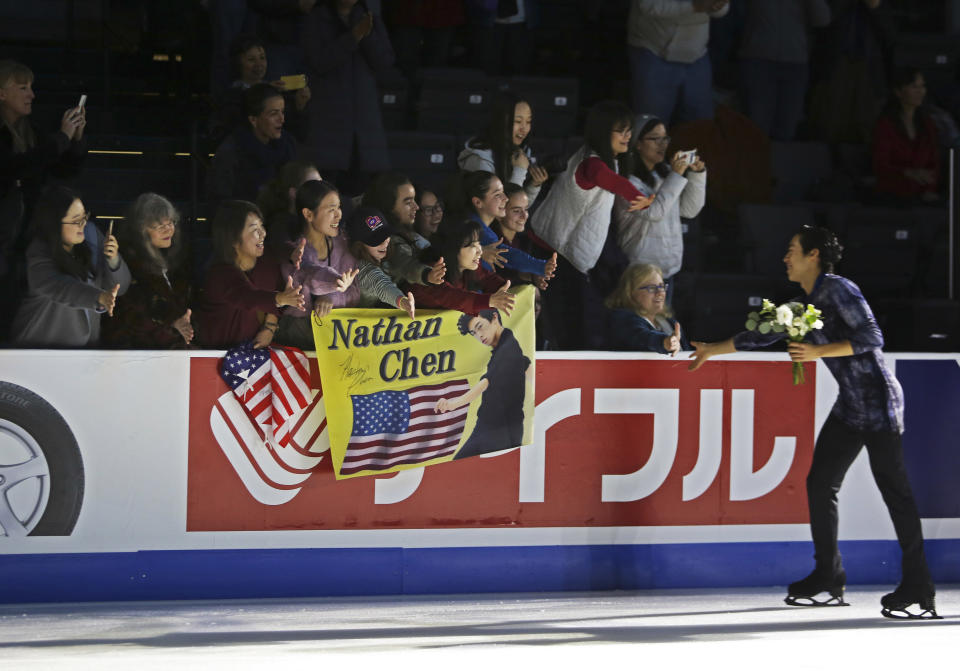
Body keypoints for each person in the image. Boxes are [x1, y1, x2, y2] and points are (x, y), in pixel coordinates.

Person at [688, 225, 939, 619]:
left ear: (814, 255)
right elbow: (765, 333)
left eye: (792, 250)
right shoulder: (808, 301)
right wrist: (713, 350)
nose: (785, 257)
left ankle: (919, 585)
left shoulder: (839, 289)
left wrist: (818, 351)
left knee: (895, 492)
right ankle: (828, 574)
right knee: (820, 483)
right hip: (850, 406)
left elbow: (873, 337)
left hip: (877, 403)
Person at [531, 100, 653, 349]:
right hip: (557, 253)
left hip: (561, 250)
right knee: (564, 326)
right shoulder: (593, 163)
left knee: (571, 323)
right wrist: (641, 199)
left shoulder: (594, 156)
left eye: (629, 131)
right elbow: (612, 182)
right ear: (603, 131)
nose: (627, 137)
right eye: (621, 131)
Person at [1, 59, 88, 325]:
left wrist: (76, 138)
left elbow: (63, 170)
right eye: (23, 88)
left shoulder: (32, 131)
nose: (32, 95)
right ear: (2, 93)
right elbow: (14, 168)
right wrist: (61, 138)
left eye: (31, 87)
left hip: (25, 233)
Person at [10, 186, 130, 348]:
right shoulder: (38, 252)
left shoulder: (92, 239)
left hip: (81, 354)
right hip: (39, 352)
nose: (83, 224)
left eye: (84, 217)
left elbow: (119, 289)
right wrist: (98, 297)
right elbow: (60, 286)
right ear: (53, 222)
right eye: (76, 220)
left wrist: (113, 260)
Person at [300, 0, 395, 193]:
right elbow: (319, 61)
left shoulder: (368, 17)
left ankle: (367, 225)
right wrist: (353, 36)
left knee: (364, 194)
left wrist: (364, 35)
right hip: (329, 121)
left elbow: (385, 62)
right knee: (326, 193)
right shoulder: (316, 18)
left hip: (364, 123)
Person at [614, 113, 706, 303]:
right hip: (639, 272)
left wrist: (697, 175)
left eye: (665, 138)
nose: (663, 144)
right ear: (637, 143)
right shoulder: (626, 182)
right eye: (655, 139)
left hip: (667, 271)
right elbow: (654, 212)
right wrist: (677, 174)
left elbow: (690, 210)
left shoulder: (664, 176)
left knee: (663, 328)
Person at [196, 200, 305, 349]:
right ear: (233, 239)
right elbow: (249, 297)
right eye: (255, 229)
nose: (263, 233)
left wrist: (270, 327)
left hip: (255, 355)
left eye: (262, 226)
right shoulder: (220, 274)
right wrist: (280, 298)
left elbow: (279, 249)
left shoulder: (267, 261)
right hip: (214, 358)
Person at [435, 308, 530, 459]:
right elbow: (526, 366)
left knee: (460, 469)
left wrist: (453, 404)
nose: (479, 336)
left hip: (498, 430)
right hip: (493, 427)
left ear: (494, 318)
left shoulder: (508, 348)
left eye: (479, 327)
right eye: (474, 333)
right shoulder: (509, 349)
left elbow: (486, 382)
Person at [276, 179, 360, 349]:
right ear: (308, 214)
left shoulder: (343, 243)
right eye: (331, 209)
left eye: (339, 208)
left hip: (336, 335)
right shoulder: (294, 251)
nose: (338, 215)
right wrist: (334, 283)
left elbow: (354, 292)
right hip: (296, 336)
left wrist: (331, 296)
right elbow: (309, 274)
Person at [103, 194, 194, 349]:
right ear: (140, 231)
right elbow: (133, 317)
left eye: (171, 222)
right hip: (134, 354)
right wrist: (171, 323)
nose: (168, 229)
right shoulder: (129, 263)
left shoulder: (176, 261)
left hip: (169, 351)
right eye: (159, 226)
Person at [738, 0, 831, 141]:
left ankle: (779, 161)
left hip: (795, 65)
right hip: (758, 61)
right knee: (756, 125)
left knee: (787, 128)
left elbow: (823, 19)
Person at [627, 0, 730, 126]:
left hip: (697, 55)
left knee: (701, 127)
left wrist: (717, 6)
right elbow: (647, 6)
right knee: (651, 127)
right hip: (653, 52)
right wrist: (694, 6)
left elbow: (722, 10)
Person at [208, 34, 311, 146]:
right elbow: (239, 127)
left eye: (262, 58)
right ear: (237, 63)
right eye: (251, 59)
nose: (259, 64)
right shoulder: (231, 96)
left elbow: (298, 135)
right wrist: (263, 92)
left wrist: (299, 106)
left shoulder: (276, 92)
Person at [454, 170, 556, 283]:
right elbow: (509, 256)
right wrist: (540, 266)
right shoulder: (472, 227)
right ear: (478, 202)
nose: (505, 199)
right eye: (498, 195)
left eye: (503, 193)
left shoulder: (482, 228)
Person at [207, 83, 300, 206]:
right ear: (253, 120)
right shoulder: (231, 151)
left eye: (282, 112)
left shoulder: (288, 144)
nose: (281, 119)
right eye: (273, 113)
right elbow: (220, 200)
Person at [457, 93, 548, 207]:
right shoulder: (479, 160)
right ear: (500, 122)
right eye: (518, 121)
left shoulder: (518, 153)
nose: (524, 128)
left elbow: (518, 212)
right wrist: (519, 171)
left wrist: (533, 186)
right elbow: (502, 210)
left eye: (528, 122)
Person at [410, 218, 515, 315]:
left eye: (478, 243)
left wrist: (503, 288)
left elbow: (486, 278)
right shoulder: (431, 272)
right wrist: (490, 301)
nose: (480, 251)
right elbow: (454, 298)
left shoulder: (466, 267)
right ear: (453, 249)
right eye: (472, 245)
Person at [364, 172, 443, 286]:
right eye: (408, 202)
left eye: (414, 200)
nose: (416, 207)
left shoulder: (408, 233)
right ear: (389, 206)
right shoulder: (387, 241)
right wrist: (427, 275)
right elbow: (405, 264)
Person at [873, 69, 940, 203]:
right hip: (893, 195)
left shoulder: (928, 124)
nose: (920, 91)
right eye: (914, 87)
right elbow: (881, 166)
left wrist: (930, 189)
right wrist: (908, 173)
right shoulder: (886, 125)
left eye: (922, 86)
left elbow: (934, 162)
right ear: (898, 92)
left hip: (924, 195)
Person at [345, 205, 416, 317]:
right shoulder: (359, 268)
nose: (384, 243)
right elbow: (381, 285)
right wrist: (402, 301)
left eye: (386, 235)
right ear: (359, 245)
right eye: (376, 240)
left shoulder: (392, 248)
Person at [605, 263, 689, 354]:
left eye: (662, 286)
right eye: (652, 288)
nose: (660, 293)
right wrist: (663, 342)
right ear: (630, 292)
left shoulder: (670, 323)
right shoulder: (621, 319)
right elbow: (641, 337)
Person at [257, 160, 322, 254]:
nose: (322, 190)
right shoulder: (280, 224)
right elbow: (283, 246)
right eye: (313, 186)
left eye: (321, 183)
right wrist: (293, 253)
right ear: (294, 193)